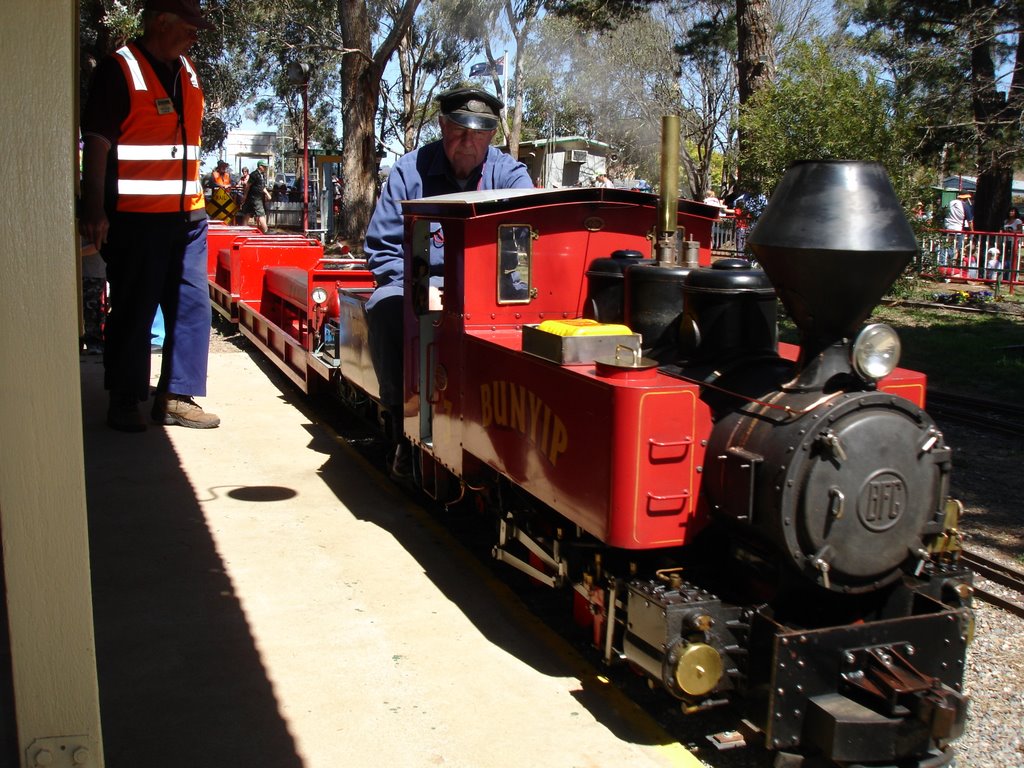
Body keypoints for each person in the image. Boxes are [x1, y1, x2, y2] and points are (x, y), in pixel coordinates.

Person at [364, 85, 532, 477]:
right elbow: (383, 250)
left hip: (487, 293)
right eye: (459, 129)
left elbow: (524, 252)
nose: (468, 140)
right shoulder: (409, 170)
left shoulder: (511, 176)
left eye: (479, 132)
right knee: (386, 307)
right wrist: (424, 291)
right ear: (442, 125)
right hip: (419, 288)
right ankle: (401, 426)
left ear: (492, 134)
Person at [79, 0, 220, 432]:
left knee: (193, 306)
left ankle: (175, 396)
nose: (196, 37)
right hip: (138, 218)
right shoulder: (118, 70)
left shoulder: (189, 71)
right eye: (189, 29)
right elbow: (98, 142)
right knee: (133, 308)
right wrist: (94, 207)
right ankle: (124, 399)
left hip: (189, 218)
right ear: (161, 23)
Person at [942, 192, 973, 268]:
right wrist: (972, 232)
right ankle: (951, 267)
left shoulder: (950, 203)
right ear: (965, 198)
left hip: (947, 228)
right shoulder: (965, 206)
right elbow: (970, 221)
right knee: (956, 249)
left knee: (946, 247)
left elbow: (943, 214)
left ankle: (943, 264)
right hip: (958, 230)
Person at [240, 159, 271, 233]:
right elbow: (248, 185)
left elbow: (262, 187)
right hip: (254, 197)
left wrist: (267, 194)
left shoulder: (262, 175)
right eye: (264, 167)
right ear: (260, 166)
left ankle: (243, 229)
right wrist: (245, 196)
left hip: (257, 197)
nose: (266, 168)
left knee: (247, 212)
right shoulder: (254, 174)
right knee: (261, 213)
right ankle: (266, 231)